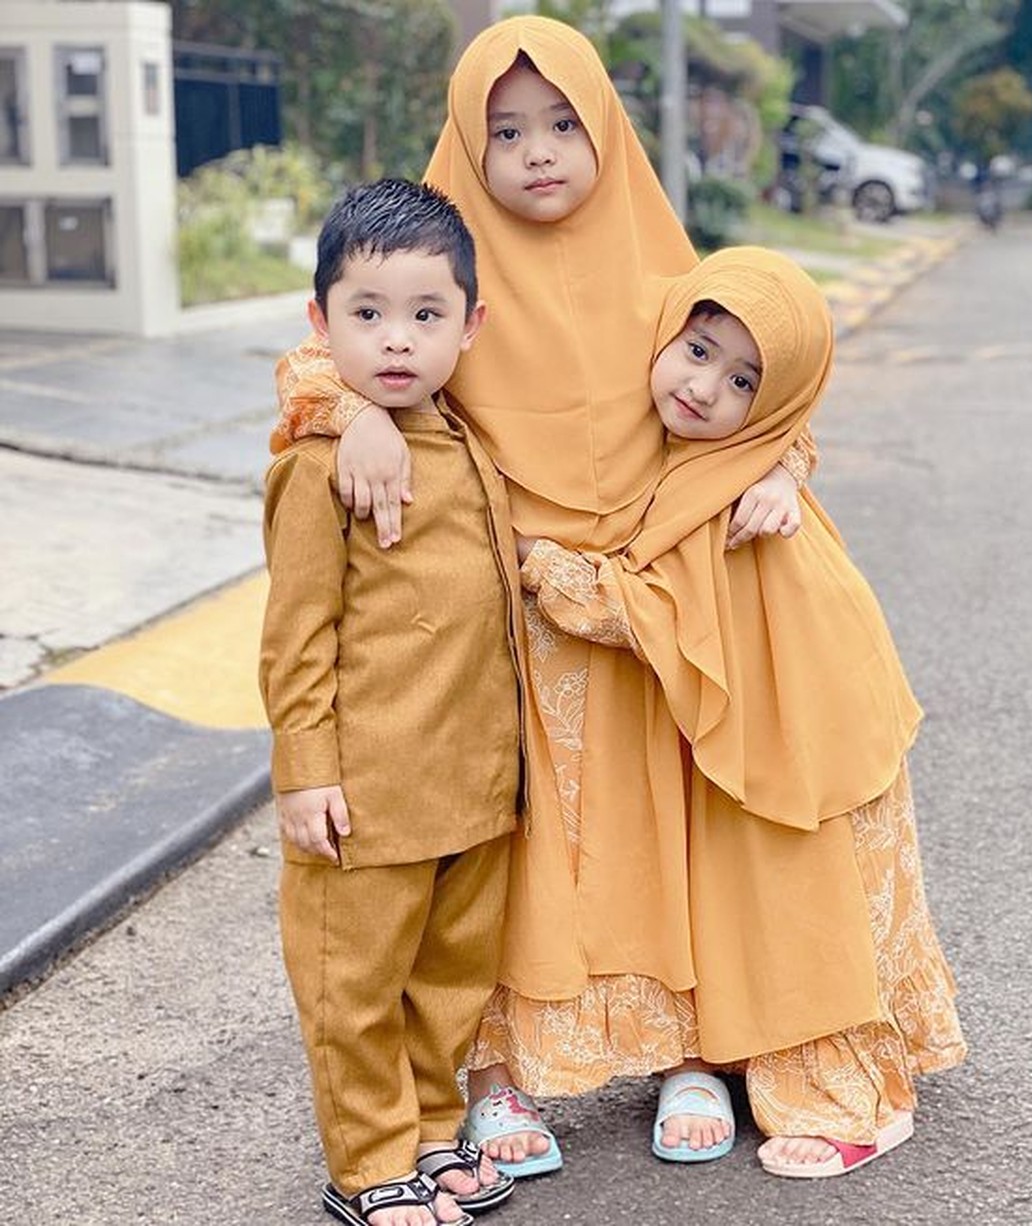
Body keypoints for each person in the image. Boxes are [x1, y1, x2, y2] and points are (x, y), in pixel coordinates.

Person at [269, 15, 813, 1176]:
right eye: (504, 130)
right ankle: (495, 1073)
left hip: (652, 601)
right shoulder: (442, 265)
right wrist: (356, 413)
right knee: (514, 854)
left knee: (667, 829)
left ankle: (686, 1049)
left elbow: (758, 372)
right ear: (468, 141)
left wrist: (779, 465)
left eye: (564, 123)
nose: (538, 152)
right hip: (511, 614)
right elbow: (328, 344)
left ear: (607, 125)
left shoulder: (664, 262)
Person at [507, 245, 967, 1177]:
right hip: (781, 710)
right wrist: (784, 461)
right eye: (699, 348)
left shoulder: (733, 491)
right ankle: (764, 1051)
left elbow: (642, 614)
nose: (705, 387)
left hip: (804, 723)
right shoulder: (718, 464)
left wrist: (536, 555)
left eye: (745, 379)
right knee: (755, 880)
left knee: (796, 881)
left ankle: (849, 1094)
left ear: (778, 402)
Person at [259, 177, 524, 1226]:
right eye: (366, 315)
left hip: (470, 782)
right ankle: (368, 1161)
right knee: (354, 985)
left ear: (471, 326)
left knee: (448, 977)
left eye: (427, 315)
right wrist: (306, 769)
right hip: (365, 792)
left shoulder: (465, 439)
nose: (398, 341)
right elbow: (295, 633)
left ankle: (425, 1131)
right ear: (322, 323)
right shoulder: (321, 462)